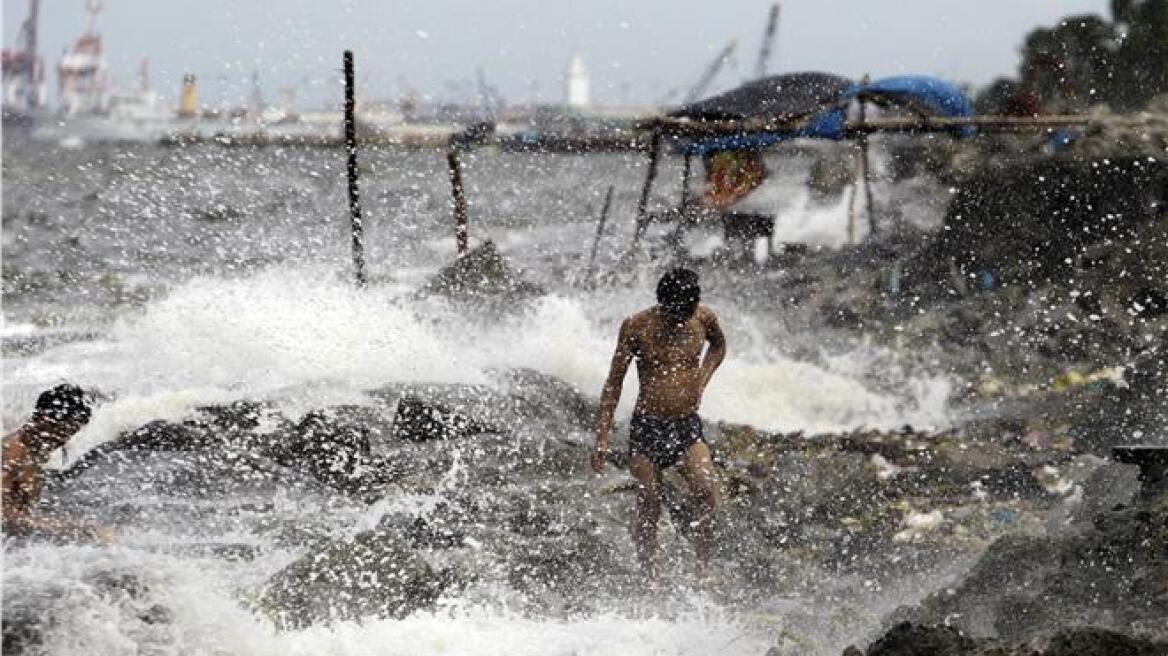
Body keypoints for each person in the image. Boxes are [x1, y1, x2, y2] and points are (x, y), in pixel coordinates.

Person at [591, 268, 726, 579]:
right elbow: (614, 383)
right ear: (663, 304)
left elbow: (719, 347)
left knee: (705, 491)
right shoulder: (637, 326)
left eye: (687, 312)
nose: (681, 320)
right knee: (649, 502)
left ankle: (703, 568)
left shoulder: (703, 318)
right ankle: (649, 571)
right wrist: (602, 439)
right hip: (647, 427)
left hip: (686, 425)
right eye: (675, 313)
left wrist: (701, 381)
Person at [2, 384, 109, 542]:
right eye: (63, 431)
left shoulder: (34, 450)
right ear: (44, 419)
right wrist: (74, 529)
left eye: (71, 433)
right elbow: (4, 518)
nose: (63, 440)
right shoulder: (13, 455)